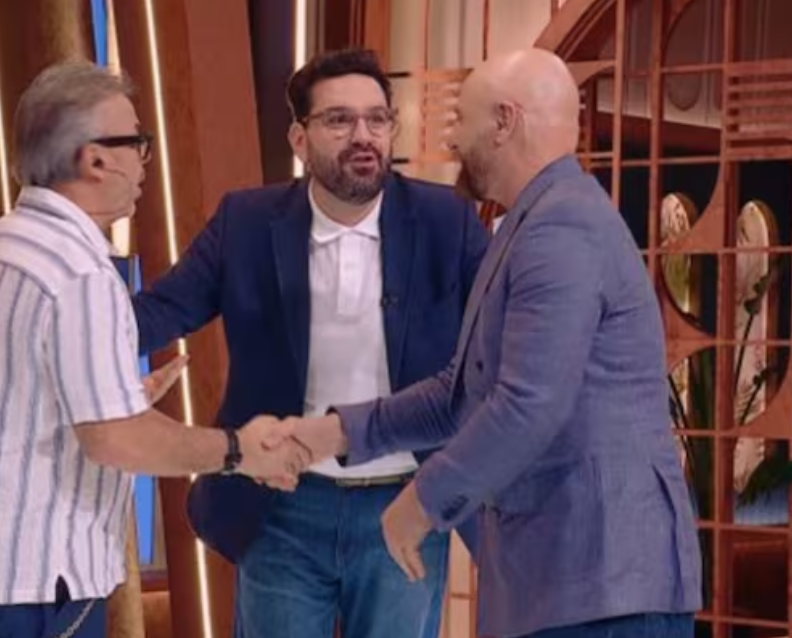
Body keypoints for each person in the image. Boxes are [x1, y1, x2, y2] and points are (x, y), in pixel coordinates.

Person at [287, 48, 702, 638]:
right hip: (568, 587)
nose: (451, 137)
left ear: (505, 122)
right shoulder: (531, 223)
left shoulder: (561, 226)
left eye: (461, 118)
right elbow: (461, 394)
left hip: (601, 587)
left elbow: (529, 403)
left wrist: (420, 503)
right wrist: (336, 433)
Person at [0, 61, 306, 638]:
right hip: (40, 590)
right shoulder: (80, 273)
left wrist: (113, 394)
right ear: (95, 159)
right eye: (137, 142)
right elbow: (115, 440)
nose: (144, 162)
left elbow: (5, 399)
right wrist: (238, 451)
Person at [132, 48, 488, 638]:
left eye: (377, 119)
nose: (363, 135)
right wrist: (72, 325)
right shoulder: (247, 221)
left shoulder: (446, 219)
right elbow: (161, 310)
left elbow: (499, 345)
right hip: (281, 503)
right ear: (299, 139)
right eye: (339, 120)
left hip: (405, 501)